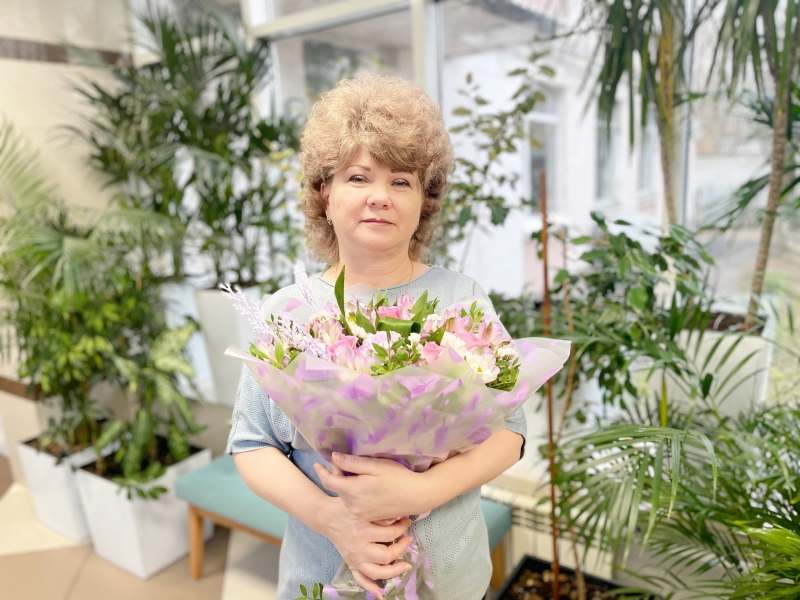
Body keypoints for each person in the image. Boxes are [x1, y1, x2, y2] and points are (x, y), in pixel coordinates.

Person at [228, 75, 526, 600]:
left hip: (449, 583)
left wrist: (422, 489)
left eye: (402, 182)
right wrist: (332, 519)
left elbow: (511, 433)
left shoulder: (461, 299)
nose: (380, 198)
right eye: (359, 177)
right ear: (325, 194)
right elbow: (252, 443)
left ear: (424, 200)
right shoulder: (287, 313)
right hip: (322, 577)